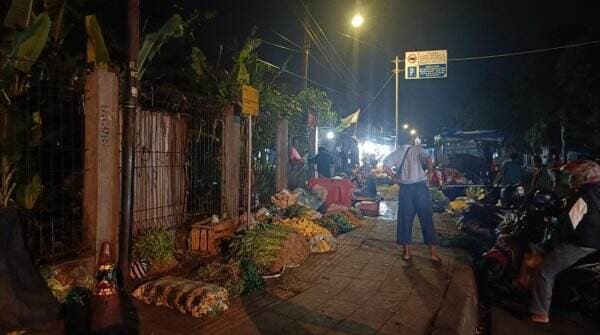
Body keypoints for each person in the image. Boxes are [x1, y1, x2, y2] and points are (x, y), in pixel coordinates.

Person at [529, 160, 600, 323]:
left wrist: (549, 245)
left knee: (544, 271)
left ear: (582, 176)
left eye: (574, 175)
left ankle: (540, 313)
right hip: (595, 245)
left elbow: (568, 225)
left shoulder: (583, 196)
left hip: (582, 244)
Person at [383, 133, 441, 262]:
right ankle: (433, 253)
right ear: (412, 140)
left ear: (400, 142)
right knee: (426, 219)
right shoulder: (418, 149)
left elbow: (385, 166)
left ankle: (408, 253)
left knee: (405, 220)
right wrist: (430, 172)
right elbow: (429, 159)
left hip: (406, 189)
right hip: (421, 188)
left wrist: (394, 177)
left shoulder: (396, 153)